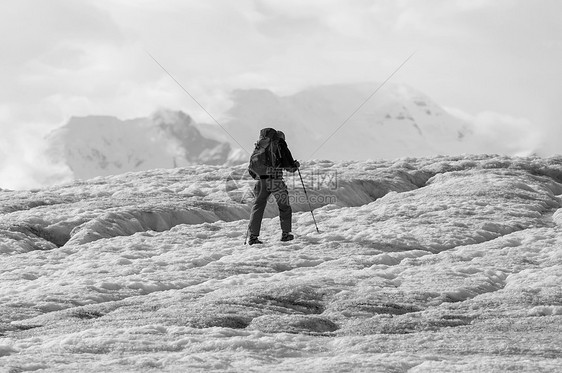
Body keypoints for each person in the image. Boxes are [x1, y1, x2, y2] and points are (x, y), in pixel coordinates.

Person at [247, 128, 300, 245]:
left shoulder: (260, 147)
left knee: (258, 207)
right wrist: (295, 165)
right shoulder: (280, 145)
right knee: (284, 206)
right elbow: (290, 167)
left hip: (261, 181)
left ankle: (252, 236)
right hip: (275, 181)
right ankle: (286, 234)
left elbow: (252, 168)